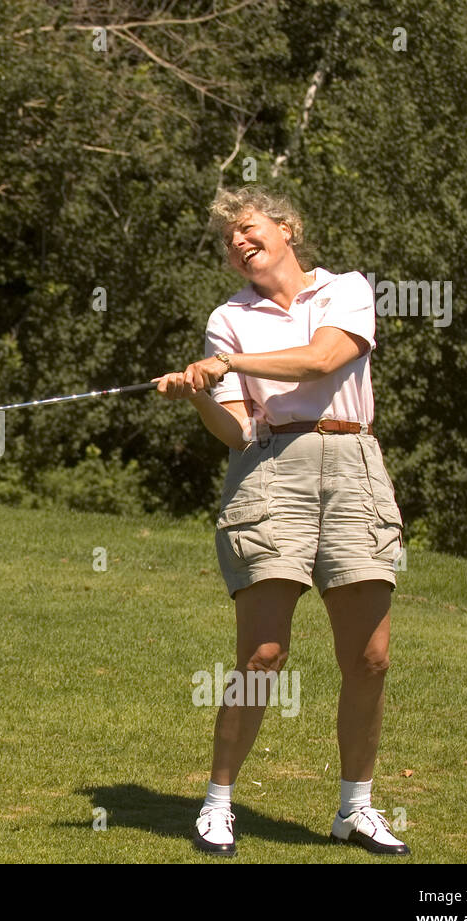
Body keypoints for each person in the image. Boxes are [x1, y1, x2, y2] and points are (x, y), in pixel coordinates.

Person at [156, 186, 409, 857]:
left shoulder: (345, 289)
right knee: (263, 654)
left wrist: (231, 363)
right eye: (228, 240)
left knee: (370, 657)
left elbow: (326, 359)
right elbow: (237, 432)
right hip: (271, 472)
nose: (237, 243)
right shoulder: (227, 317)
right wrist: (202, 392)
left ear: (286, 227)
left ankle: (355, 809)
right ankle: (217, 803)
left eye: (246, 228)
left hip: (353, 462)